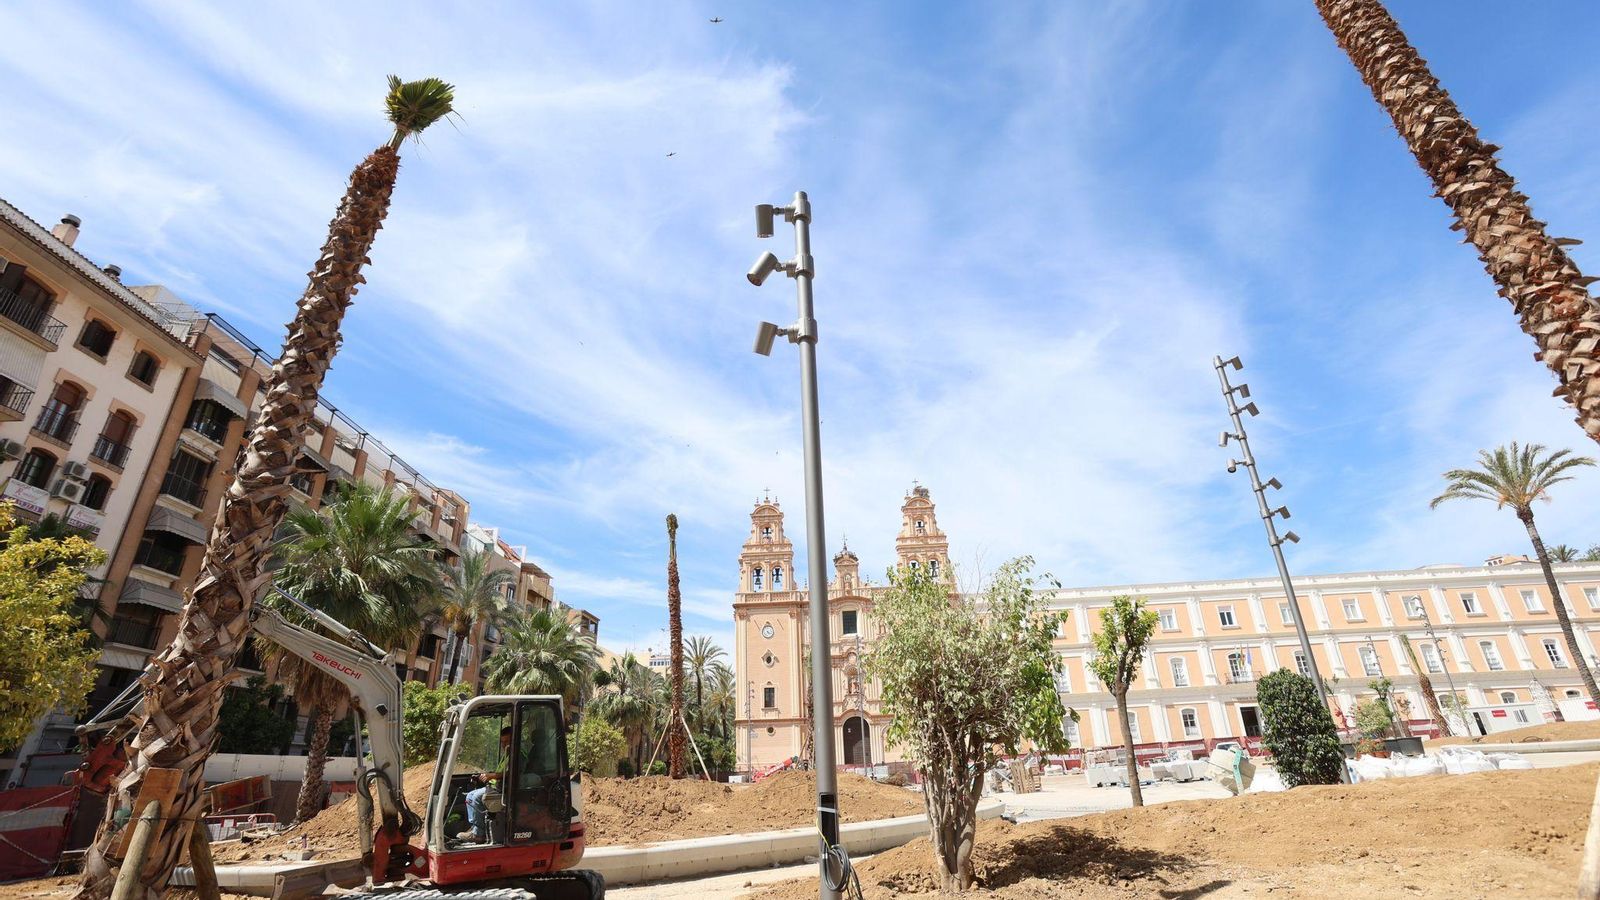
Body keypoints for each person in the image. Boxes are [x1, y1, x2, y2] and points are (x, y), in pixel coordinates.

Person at [457, 725, 512, 843]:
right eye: (502, 742)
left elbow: (512, 773)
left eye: (507, 741)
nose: (504, 745)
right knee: (470, 796)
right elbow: (501, 772)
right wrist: (488, 776)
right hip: (497, 786)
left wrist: (492, 776)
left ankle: (478, 835)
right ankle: (476, 828)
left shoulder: (517, 754)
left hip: (505, 789)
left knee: (476, 798)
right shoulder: (507, 754)